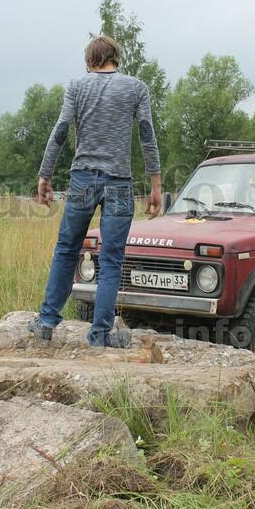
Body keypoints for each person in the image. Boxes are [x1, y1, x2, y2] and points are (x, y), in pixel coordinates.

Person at [32, 35, 163, 348]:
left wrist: (45, 175)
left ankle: (47, 321)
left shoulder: (77, 86)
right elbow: (147, 135)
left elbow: (61, 130)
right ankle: (101, 334)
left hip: (82, 179)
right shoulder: (136, 88)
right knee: (112, 258)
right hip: (119, 182)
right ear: (116, 58)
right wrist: (156, 184)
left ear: (89, 61)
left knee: (67, 249)